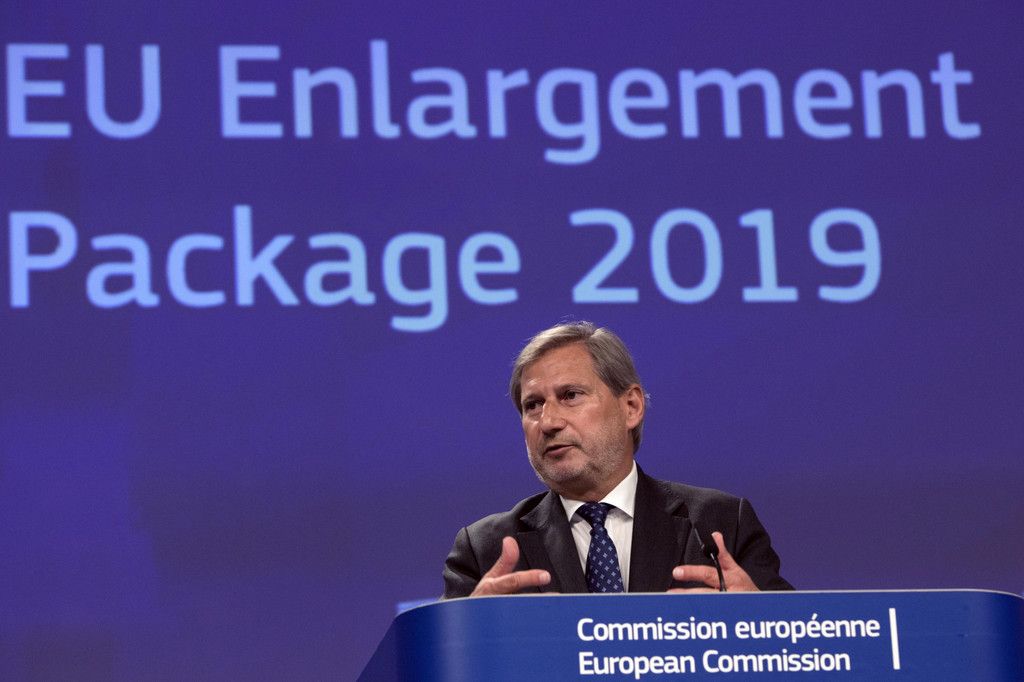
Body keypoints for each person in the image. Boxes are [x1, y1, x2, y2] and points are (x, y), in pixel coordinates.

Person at [443, 321, 792, 598]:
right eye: (532, 405)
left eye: (570, 395)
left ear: (631, 407)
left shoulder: (721, 525)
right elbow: (440, 656)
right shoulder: (485, 550)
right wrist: (468, 629)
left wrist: (761, 620)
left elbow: (803, 649)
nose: (548, 422)